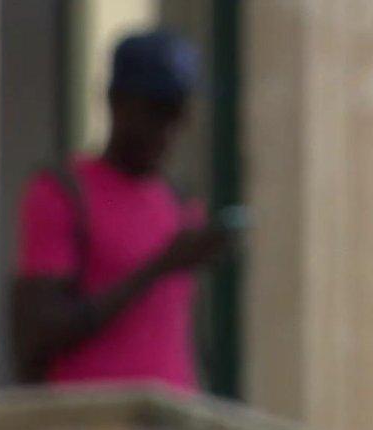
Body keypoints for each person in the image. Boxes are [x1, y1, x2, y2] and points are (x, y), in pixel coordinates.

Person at [12, 30, 229, 393]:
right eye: (157, 111)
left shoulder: (179, 204)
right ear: (116, 102)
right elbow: (37, 334)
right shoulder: (62, 193)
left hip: (173, 429)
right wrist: (160, 265)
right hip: (93, 427)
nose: (169, 131)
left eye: (180, 113)